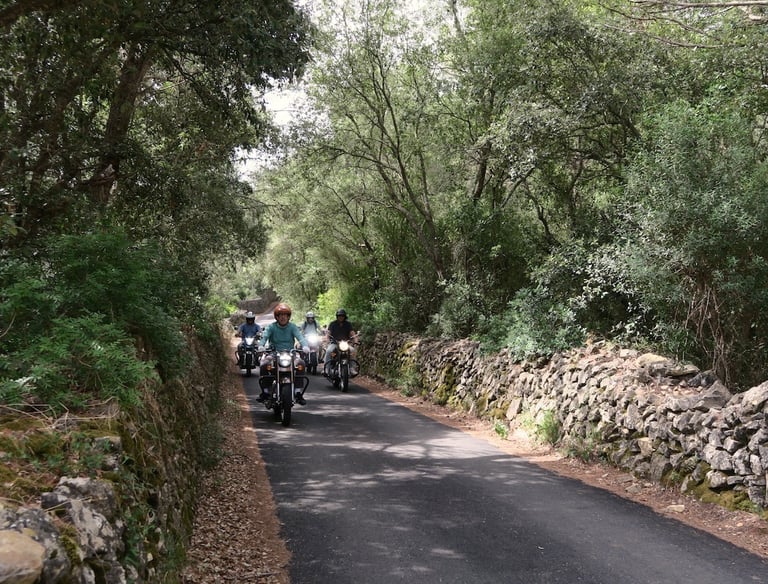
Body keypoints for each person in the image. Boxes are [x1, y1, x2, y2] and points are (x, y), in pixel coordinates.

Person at [257, 303, 309, 404]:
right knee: (264, 364)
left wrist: (305, 346)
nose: (283, 317)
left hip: (290, 353)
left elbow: (300, 337)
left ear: (288, 317)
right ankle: (265, 392)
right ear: (276, 317)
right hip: (274, 353)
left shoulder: (292, 327)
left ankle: (298, 392)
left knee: (301, 364)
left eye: (285, 315)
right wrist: (261, 346)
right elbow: (264, 337)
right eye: (280, 315)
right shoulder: (271, 327)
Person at [323, 308, 358, 375]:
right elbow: (328, 333)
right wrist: (327, 339)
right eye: (339, 316)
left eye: (342, 316)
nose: (341, 317)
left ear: (345, 317)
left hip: (345, 343)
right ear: (337, 316)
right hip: (335, 343)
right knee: (329, 351)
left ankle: (352, 368)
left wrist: (355, 340)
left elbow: (352, 333)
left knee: (353, 350)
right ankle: (327, 369)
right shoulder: (333, 324)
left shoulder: (348, 324)